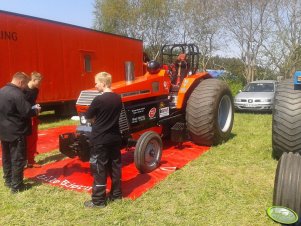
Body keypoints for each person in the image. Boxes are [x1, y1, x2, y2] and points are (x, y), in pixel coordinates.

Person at [84, 72, 122, 208]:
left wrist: (95, 119)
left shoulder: (98, 100)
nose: (95, 85)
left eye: (96, 82)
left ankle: (98, 201)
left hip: (100, 139)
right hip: (115, 138)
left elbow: (88, 116)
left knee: (99, 168)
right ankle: (116, 194)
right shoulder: (118, 98)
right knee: (115, 167)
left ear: (103, 83)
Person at [0, 72, 41, 193]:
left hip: (3, 130)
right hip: (16, 131)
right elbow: (26, 111)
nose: (25, 87)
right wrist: (36, 111)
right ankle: (17, 186)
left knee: (6, 156)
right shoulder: (17, 94)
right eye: (24, 85)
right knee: (18, 158)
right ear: (20, 82)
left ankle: (8, 180)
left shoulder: (2, 91)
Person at [23, 71, 43, 168]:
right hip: (24, 117)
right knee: (25, 139)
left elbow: (33, 101)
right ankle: (24, 161)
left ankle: (31, 160)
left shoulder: (36, 90)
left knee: (33, 138)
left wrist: (36, 107)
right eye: (39, 82)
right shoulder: (24, 90)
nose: (40, 84)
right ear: (34, 80)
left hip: (33, 116)